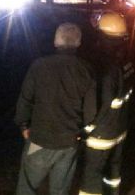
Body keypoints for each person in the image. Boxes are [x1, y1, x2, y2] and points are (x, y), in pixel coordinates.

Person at [14, 23, 97, 195]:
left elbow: (25, 100)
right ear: (78, 43)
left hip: (40, 139)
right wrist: (78, 131)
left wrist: (23, 126)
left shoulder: (39, 66)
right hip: (68, 143)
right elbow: (91, 112)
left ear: (55, 41)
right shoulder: (86, 70)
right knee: (60, 191)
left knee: (26, 189)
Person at [79, 11, 134, 195]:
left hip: (102, 134)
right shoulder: (126, 62)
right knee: (113, 171)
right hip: (120, 129)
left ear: (102, 36)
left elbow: (100, 104)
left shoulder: (106, 68)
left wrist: (86, 128)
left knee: (91, 174)